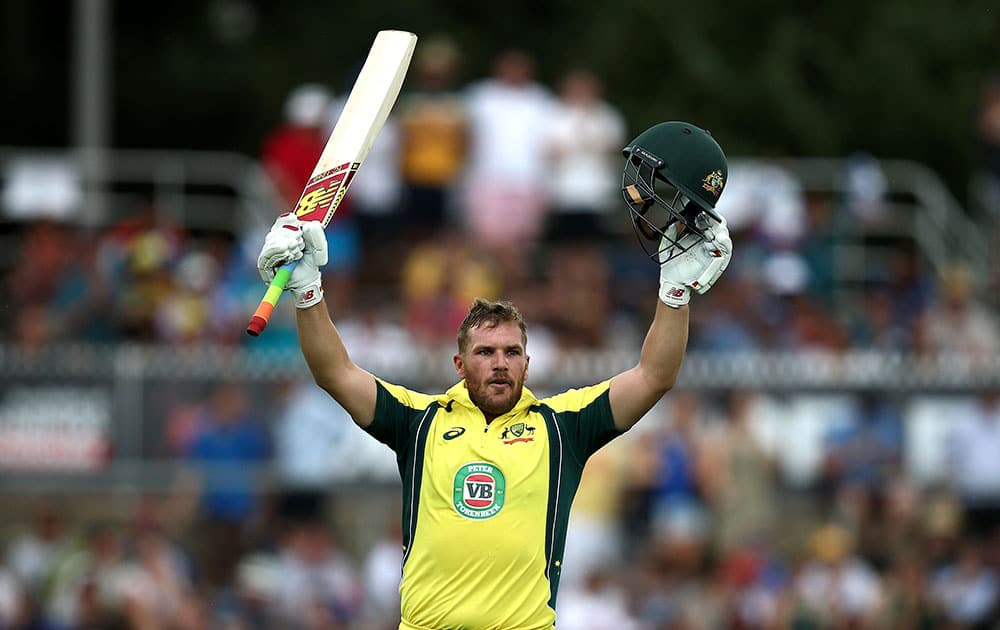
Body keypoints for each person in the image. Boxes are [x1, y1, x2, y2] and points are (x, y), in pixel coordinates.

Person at [254, 121, 733, 629]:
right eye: (485, 351)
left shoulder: (561, 427)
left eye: (511, 352)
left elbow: (654, 375)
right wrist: (308, 291)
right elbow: (335, 372)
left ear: (528, 363)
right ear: (459, 365)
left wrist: (673, 293)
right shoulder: (419, 422)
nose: (499, 362)